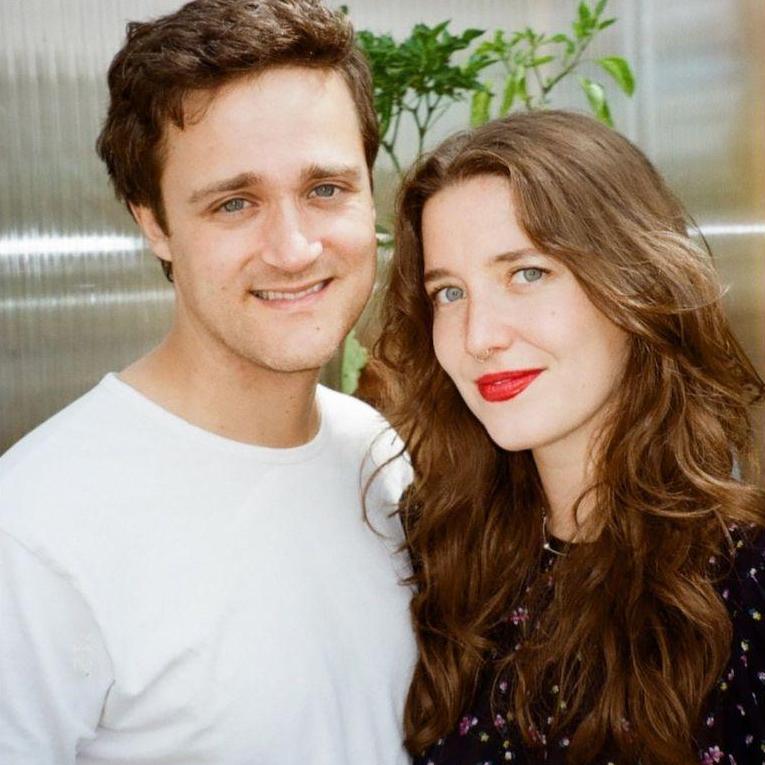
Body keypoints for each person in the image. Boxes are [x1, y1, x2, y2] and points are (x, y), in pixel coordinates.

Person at [0, 1, 415, 763]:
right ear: (154, 223)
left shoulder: (378, 455)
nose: (293, 248)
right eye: (234, 202)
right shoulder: (34, 529)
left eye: (325, 188)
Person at [375, 110, 765, 764]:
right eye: (448, 292)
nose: (479, 336)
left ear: (634, 281)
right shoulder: (434, 553)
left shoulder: (744, 580)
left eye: (526, 273)